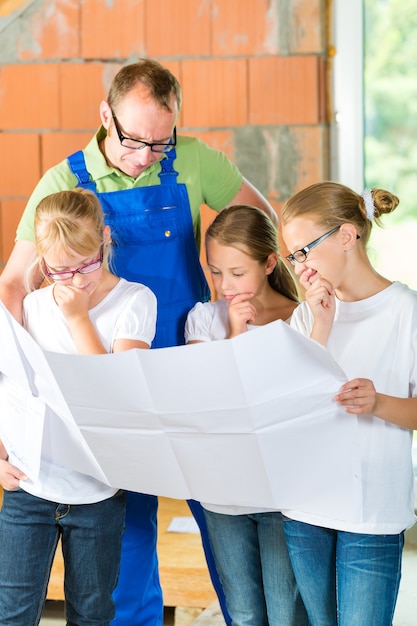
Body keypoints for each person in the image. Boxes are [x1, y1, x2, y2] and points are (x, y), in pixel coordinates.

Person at [0, 59, 276, 625]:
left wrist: (250, 289)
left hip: (192, 370)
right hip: (112, 390)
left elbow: (258, 219)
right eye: (133, 140)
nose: (146, 154)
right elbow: (13, 285)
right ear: (105, 115)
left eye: (160, 141)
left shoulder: (196, 159)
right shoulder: (62, 183)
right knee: (125, 531)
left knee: (227, 518)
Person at [0, 188, 157, 625]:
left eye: (84, 265)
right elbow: (8, 386)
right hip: (29, 487)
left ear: (104, 239)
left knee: (91, 612)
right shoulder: (29, 306)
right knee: (11, 611)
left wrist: (79, 319)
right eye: (58, 270)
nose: (73, 282)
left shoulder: (134, 300)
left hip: (97, 492)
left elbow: (115, 394)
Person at [280, 181, 417, 626]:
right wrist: (320, 326)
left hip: (372, 512)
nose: (300, 267)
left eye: (305, 250)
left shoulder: (405, 311)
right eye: (293, 256)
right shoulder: (306, 314)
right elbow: (288, 411)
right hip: (306, 508)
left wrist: (378, 403)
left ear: (345, 235)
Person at [184, 205, 309, 626]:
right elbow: (209, 400)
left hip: (282, 493)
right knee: (243, 611)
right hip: (223, 492)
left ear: (270, 262)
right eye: (216, 272)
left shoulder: (302, 319)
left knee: (285, 610)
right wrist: (236, 334)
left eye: (237, 273)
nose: (225, 285)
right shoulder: (205, 320)